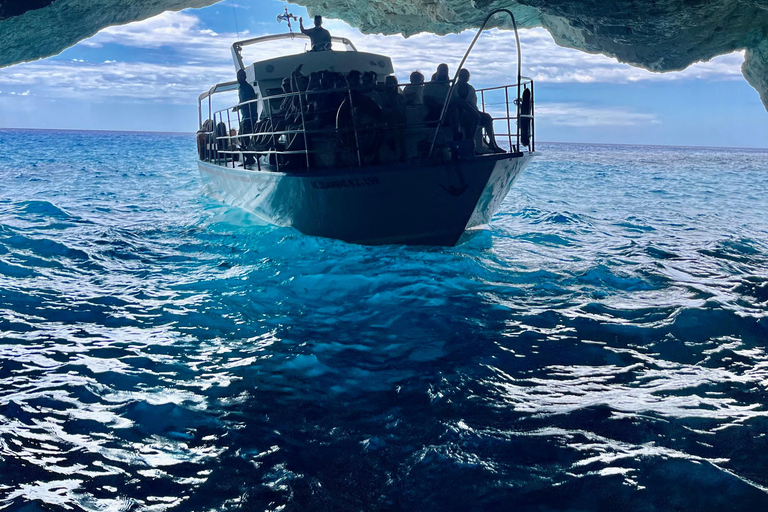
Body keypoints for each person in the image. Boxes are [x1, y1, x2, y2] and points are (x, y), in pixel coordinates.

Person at [453, 68, 503, 152]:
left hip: (473, 111)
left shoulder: (470, 89)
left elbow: (473, 104)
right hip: (460, 114)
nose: (465, 78)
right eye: (463, 76)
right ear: (459, 76)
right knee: (473, 119)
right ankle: (470, 144)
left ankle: (492, 143)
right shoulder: (454, 89)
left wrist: (475, 111)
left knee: (487, 118)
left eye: (466, 76)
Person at [235, 68, 257, 165]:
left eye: (241, 76)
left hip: (250, 116)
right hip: (245, 116)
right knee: (242, 137)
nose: (239, 78)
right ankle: (249, 156)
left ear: (245, 77)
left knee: (242, 136)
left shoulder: (247, 87)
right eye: (238, 76)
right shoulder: (241, 88)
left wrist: (240, 105)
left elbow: (250, 99)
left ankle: (250, 157)